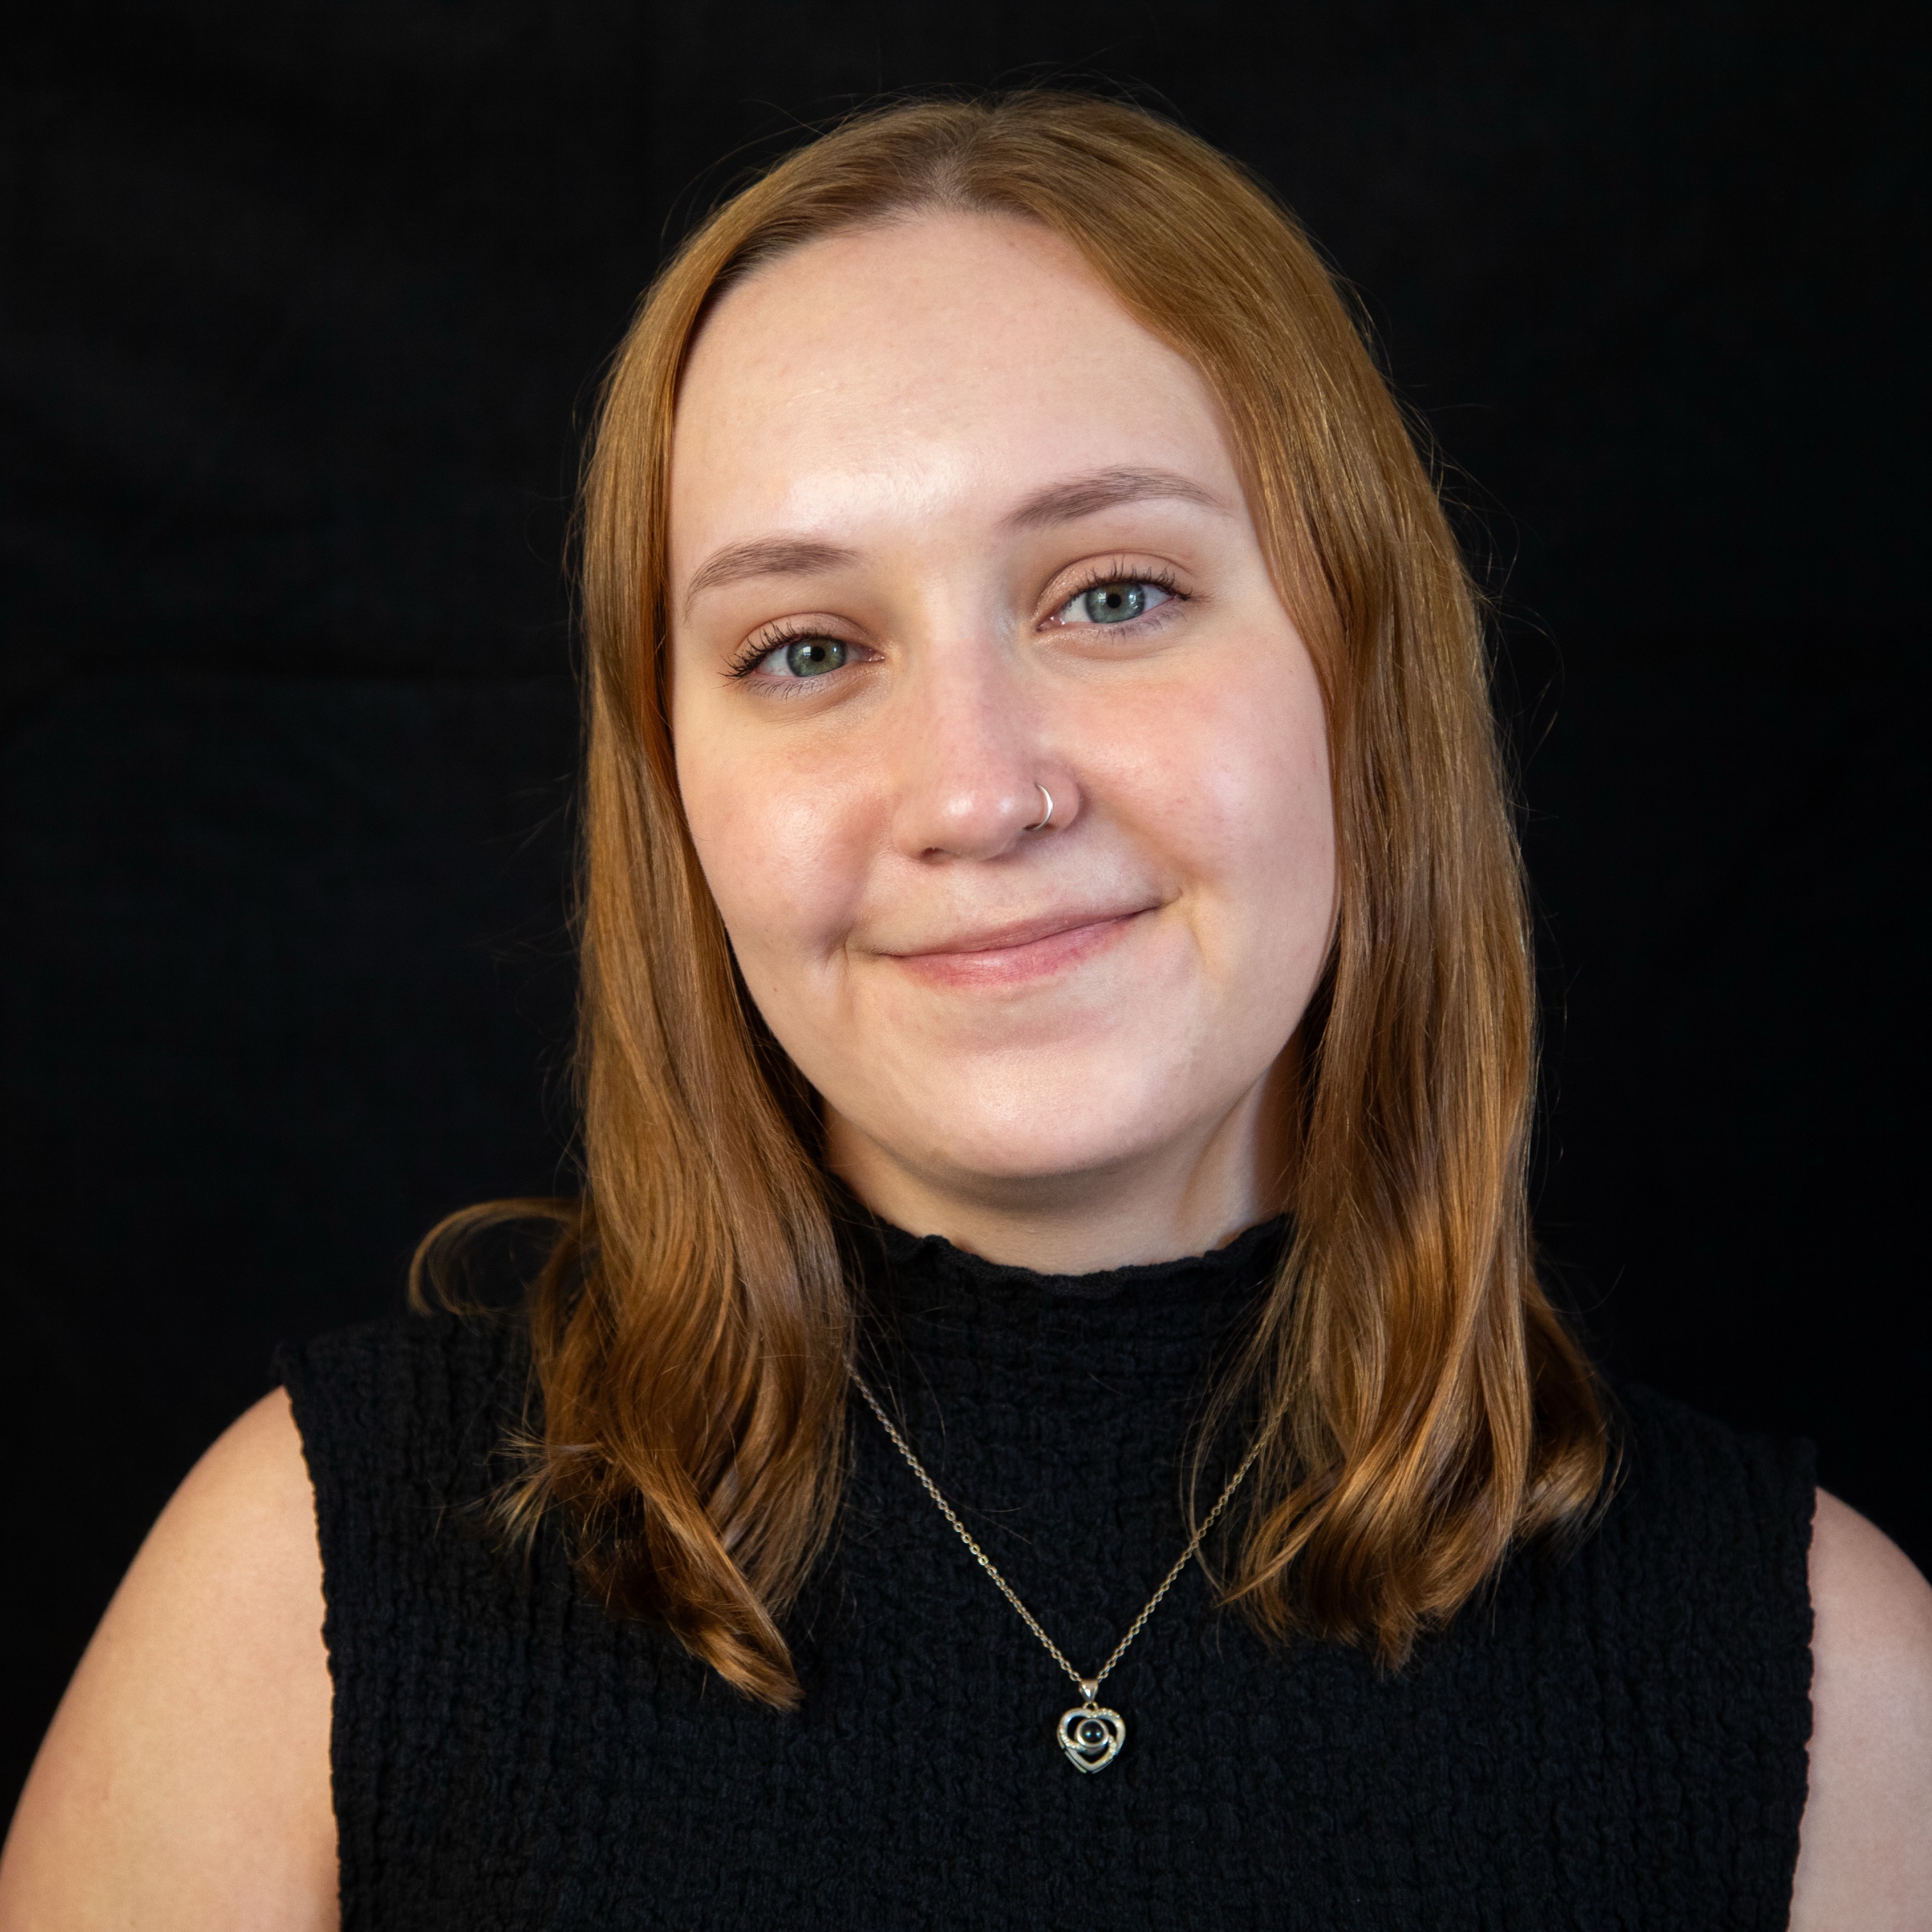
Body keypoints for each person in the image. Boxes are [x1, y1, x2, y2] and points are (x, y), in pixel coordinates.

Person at [3, 91, 1927, 1931]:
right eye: (808, 646)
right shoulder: (301, 1602)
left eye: (1112, 596)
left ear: (1368, 675)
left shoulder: (1837, 1702)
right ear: (675, 793)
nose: (981, 792)